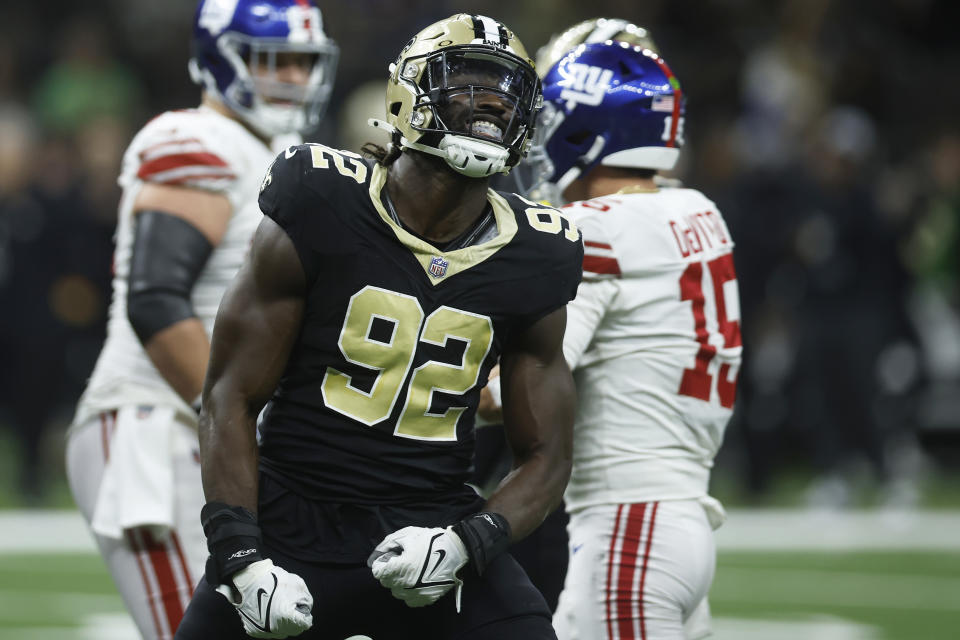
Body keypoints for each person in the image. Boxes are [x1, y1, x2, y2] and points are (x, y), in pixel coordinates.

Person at [173, 13, 583, 640]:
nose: (491, 104)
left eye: (506, 92)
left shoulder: (537, 252)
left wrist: (469, 543)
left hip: (433, 529)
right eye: (468, 82)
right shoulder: (320, 199)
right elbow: (229, 394)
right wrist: (241, 558)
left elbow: (547, 454)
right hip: (292, 525)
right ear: (406, 96)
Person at [65, 2, 338, 638]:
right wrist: (240, 428)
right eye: (276, 60)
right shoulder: (195, 140)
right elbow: (156, 301)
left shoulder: (290, 154)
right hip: (155, 426)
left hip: (222, 436)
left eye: (304, 62)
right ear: (223, 57)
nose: (293, 77)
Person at [486, 42, 742, 639]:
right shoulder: (698, 211)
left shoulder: (594, 231)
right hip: (684, 521)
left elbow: (508, 396)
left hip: (630, 529)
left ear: (582, 130)